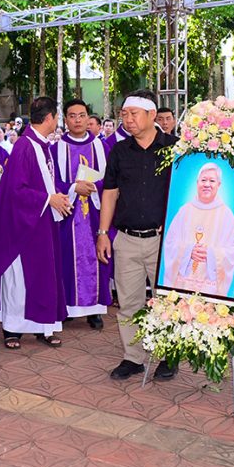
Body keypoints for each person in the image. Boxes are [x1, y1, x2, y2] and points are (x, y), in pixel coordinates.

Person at [0, 97, 68, 349]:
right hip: (23, 225)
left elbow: (45, 181)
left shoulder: (42, 145)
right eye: (57, 117)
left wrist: (57, 196)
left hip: (42, 221)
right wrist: (48, 199)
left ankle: (45, 327)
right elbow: (16, 190)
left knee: (45, 275)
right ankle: (12, 329)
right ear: (50, 118)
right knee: (19, 279)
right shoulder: (25, 146)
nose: (57, 121)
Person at [97, 90, 179, 381]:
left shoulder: (176, 148)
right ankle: (133, 358)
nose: (128, 120)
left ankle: (169, 356)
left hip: (164, 242)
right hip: (127, 239)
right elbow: (110, 193)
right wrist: (103, 233)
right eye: (124, 114)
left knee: (167, 303)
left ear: (152, 115)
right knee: (129, 303)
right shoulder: (120, 151)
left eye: (134, 114)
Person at [54, 99, 111, 329]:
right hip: (67, 215)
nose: (77, 120)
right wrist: (73, 188)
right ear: (65, 120)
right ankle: (67, 307)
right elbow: (51, 180)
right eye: (72, 116)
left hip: (96, 214)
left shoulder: (101, 147)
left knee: (97, 255)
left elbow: (113, 179)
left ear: (89, 118)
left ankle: (95, 310)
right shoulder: (55, 149)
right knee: (67, 258)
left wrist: (95, 186)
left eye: (82, 115)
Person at [161, 162, 234, 296]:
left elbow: (232, 250)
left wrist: (210, 254)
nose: (207, 184)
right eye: (203, 180)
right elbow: (169, 244)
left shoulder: (226, 215)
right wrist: (188, 251)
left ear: (219, 184)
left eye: (212, 181)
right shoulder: (184, 211)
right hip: (182, 283)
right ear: (197, 183)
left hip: (210, 287)